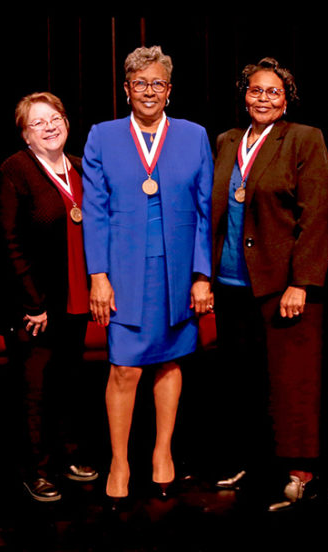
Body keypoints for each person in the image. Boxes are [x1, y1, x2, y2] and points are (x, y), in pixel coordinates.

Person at [82, 45, 213, 501]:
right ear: (126, 89)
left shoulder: (195, 136)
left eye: (157, 83)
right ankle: (119, 461)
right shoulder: (102, 136)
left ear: (169, 90)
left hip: (177, 272)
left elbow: (204, 211)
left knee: (170, 361)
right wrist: (98, 276)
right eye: (140, 83)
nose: (149, 92)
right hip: (123, 272)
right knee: (124, 370)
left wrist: (202, 275)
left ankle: (162, 453)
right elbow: (95, 211)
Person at [209, 58, 328, 511]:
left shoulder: (304, 138)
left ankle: (300, 469)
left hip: (283, 286)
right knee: (243, 381)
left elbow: (315, 215)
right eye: (256, 90)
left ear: (287, 98)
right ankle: (252, 460)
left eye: (273, 92)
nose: (263, 98)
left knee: (292, 381)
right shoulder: (225, 141)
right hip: (231, 282)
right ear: (244, 95)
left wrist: (301, 282)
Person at [0, 92, 99, 503]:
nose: (49, 127)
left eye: (55, 118)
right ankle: (34, 470)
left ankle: (67, 454)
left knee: (69, 383)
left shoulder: (78, 169)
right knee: (33, 389)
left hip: (75, 299)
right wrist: (31, 304)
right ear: (24, 134)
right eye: (38, 122)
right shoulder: (15, 170)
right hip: (36, 305)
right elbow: (9, 241)